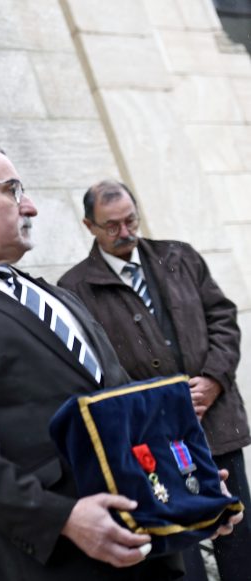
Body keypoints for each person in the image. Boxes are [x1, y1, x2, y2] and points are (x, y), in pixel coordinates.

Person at [0, 144, 204, 580]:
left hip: (145, 551)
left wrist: (190, 484)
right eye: (13, 190)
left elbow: (127, 403)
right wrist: (62, 518)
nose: (29, 206)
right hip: (52, 562)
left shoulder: (56, 296)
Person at [58, 179, 251, 581]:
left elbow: (223, 320)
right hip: (148, 443)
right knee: (177, 545)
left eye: (131, 220)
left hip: (216, 421)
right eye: (112, 226)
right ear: (89, 225)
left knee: (239, 540)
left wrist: (213, 380)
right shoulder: (74, 289)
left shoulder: (180, 256)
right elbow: (94, 365)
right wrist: (162, 405)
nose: (125, 232)